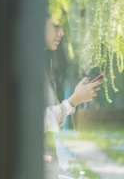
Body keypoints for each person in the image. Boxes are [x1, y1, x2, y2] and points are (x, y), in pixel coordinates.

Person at [44, 17, 103, 179]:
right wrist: (73, 101)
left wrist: (76, 98)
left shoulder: (41, 66)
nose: (61, 33)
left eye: (63, 27)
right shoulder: (25, 65)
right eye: (56, 26)